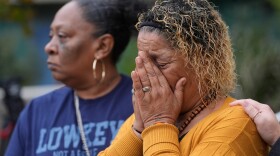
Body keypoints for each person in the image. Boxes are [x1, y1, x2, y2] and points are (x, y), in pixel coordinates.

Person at [97, 0, 269, 155]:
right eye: (141, 62)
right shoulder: (143, 117)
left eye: (160, 64)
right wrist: (138, 131)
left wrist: (158, 124)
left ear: (204, 62)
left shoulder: (235, 125)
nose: (143, 74)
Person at [5, 0, 146, 155]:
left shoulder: (143, 104)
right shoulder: (36, 112)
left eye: (62, 36)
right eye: (50, 36)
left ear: (102, 46)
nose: (49, 47)